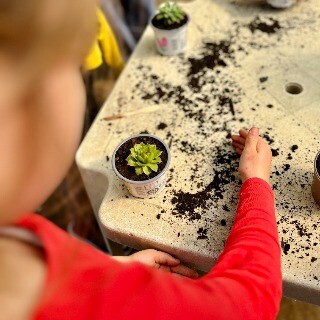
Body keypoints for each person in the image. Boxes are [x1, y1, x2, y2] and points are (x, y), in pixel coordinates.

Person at [0, 0, 282, 319]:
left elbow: (68, 274)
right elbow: (249, 299)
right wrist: (257, 182)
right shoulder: (120, 306)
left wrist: (111, 270)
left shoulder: (17, 240)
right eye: (72, 64)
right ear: (17, 107)